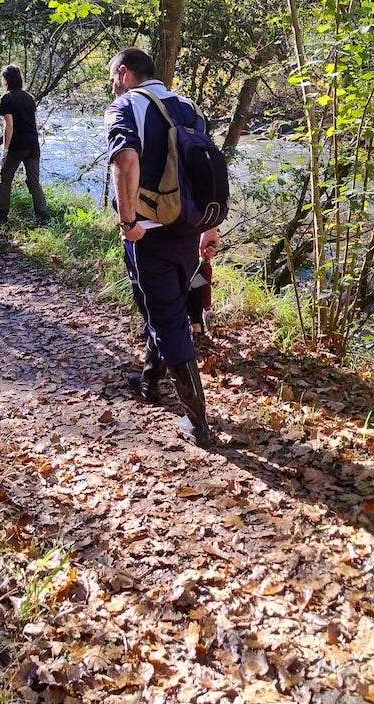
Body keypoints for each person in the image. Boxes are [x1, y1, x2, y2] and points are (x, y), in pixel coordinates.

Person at [105, 47, 219, 447]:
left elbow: (126, 161)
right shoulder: (187, 106)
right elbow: (207, 170)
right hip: (188, 227)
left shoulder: (125, 106)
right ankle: (150, 380)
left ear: (124, 73)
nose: (113, 85)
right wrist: (210, 225)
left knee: (167, 318)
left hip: (148, 233)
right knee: (164, 306)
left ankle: (197, 421)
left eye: (113, 78)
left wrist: (128, 221)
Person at [0, 64, 49, 224]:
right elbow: (35, 123)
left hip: (17, 144)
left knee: (5, 178)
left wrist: (5, 149)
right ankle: (42, 215)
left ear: (5, 80)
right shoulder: (29, 98)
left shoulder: (6, 98)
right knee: (33, 181)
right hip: (32, 144)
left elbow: (9, 126)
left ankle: (0, 214)